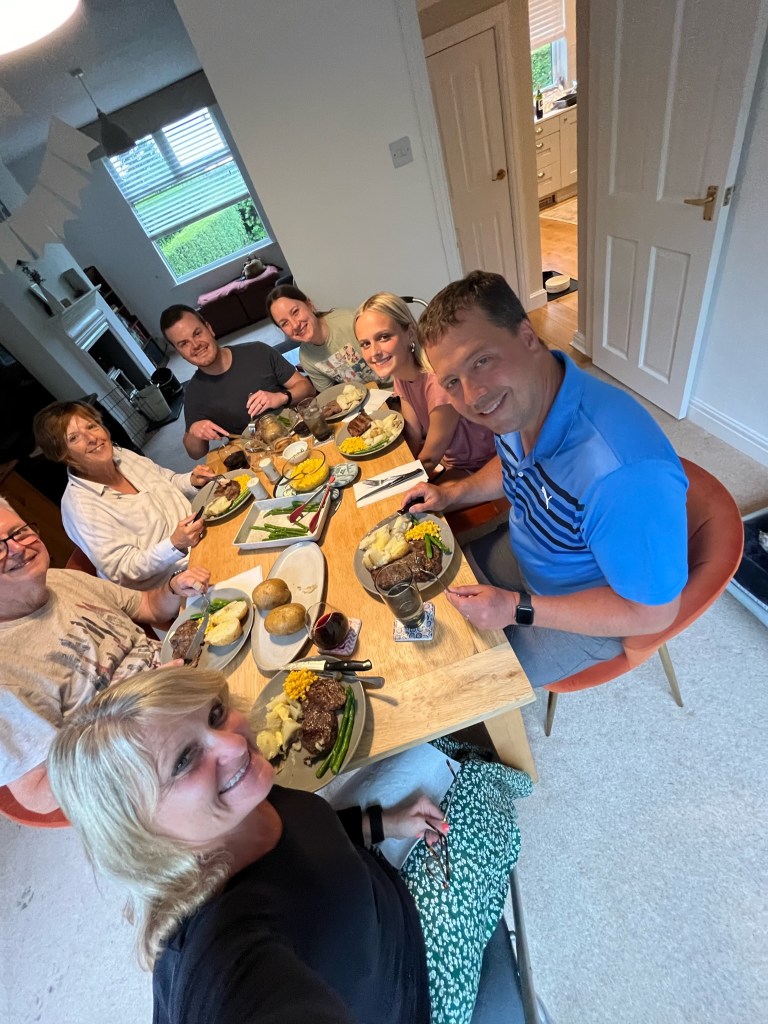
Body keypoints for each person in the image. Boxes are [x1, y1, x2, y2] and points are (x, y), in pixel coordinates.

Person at [48, 667, 531, 1024]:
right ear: (138, 832)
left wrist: (382, 823)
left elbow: (312, 833)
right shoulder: (226, 950)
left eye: (215, 714)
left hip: (379, 895)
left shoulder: (247, 797)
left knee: (436, 735)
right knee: (483, 782)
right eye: (184, 760)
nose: (233, 743)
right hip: (416, 992)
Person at [403, 270, 689, 688]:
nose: (473, 396)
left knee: (465, 685)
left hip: (587, 611)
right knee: (422, 591)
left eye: (481, 360)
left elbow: (653, 614)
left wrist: (517, 608)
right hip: (528, 554)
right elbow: (513, 464)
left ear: (527, 336)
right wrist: (453, 494)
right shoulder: (522, 404)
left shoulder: (622, 476)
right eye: (452, 382)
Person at [0, 496, 210, 814]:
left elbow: (148, 606)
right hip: (157, 765)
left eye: (18, 532)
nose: (17, 548)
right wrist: (138, 714)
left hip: (192, 675)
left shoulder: (59, 579)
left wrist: (173, 588)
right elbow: (40, 793)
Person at [34, 401, 216, 590]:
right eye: (74, 438)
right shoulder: (80, 507)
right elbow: (122, 571)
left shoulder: (121, 455)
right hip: (177, 582)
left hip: (203, 537)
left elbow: (167, 481)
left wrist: (192, 480)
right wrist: (174, 544)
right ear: (62, 454)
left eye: (91, 426)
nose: (92, 438)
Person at [354, 293, 497, 476]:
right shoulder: (401, 373)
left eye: (383, 337)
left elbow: (430, 458)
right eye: (365, 344)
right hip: (450, 460)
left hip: (481, 467)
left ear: (410, 333)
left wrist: (394, 481)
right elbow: (412, 433)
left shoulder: (437, 381)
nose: (374, 352)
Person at [159, 305, 314, 459]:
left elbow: (308, 389)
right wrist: (194, 432)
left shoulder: (258, 351)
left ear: (209, 329)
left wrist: (281, 397)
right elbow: (195, 453)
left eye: (197, 333)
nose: (195, 345)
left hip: (298, 438)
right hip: (258, 457)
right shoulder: (194, 393)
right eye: (184, 344)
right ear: (179, 353)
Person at [267, 284, 379, 392]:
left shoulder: (351, 321)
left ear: (309, 305)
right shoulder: (306, 358)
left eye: (295, 312)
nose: (295, 325)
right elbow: (330, 395)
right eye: (284, 323)